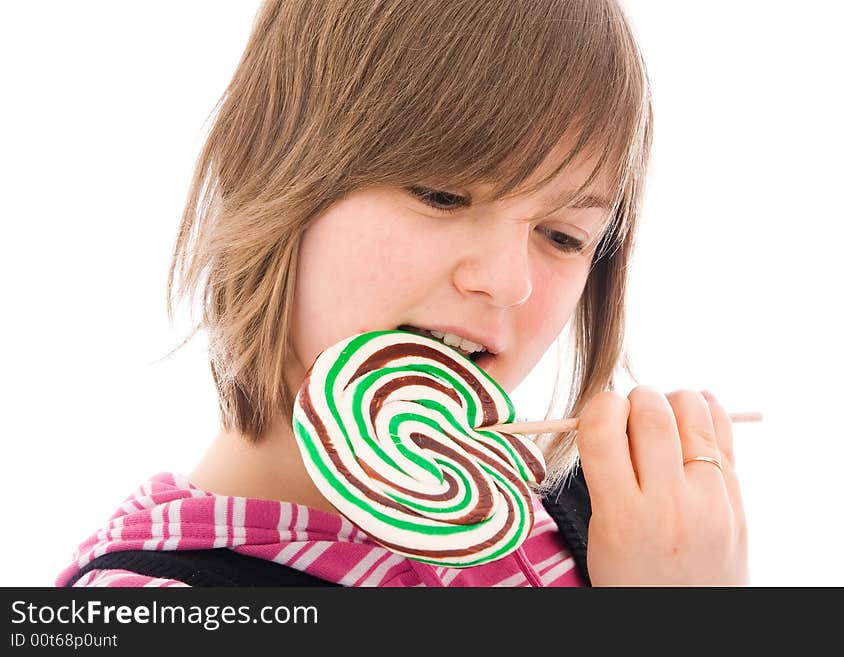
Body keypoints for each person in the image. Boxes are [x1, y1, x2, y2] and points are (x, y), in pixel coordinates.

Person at [56, 0, 748, 588]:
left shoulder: (627, 531)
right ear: (271, 171)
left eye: (564, 237)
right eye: (443, 194)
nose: (509, 281)